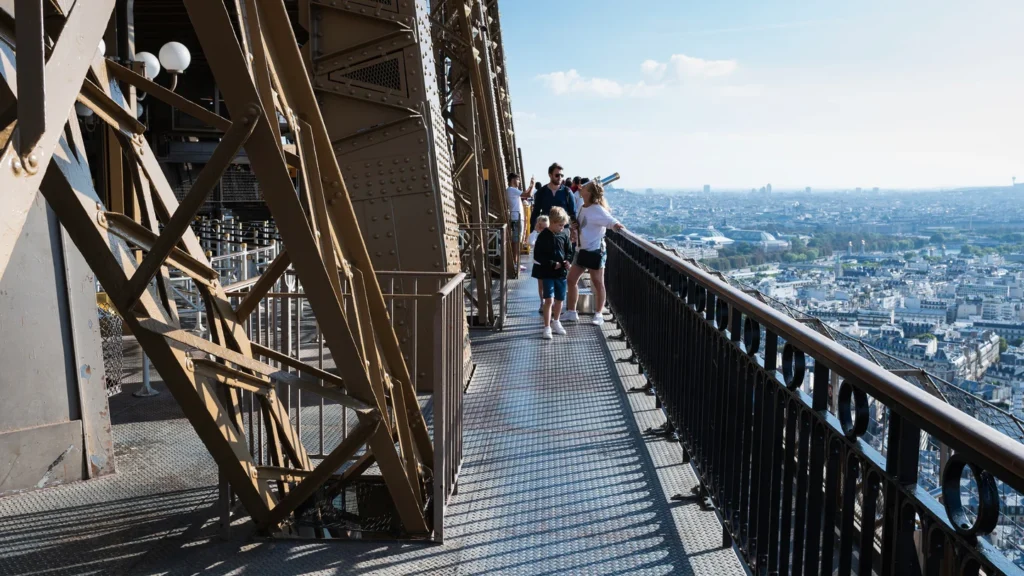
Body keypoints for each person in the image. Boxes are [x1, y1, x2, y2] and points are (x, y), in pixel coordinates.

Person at [563, 179, 625, 325]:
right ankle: (572, 312)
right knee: (572, 280)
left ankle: (598, 314)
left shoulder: (597, 209)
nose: (581, 187)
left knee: (597, 282)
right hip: (582, 249)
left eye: (584, 187)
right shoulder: (583, 206)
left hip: (595, 250)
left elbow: (610, 221)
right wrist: (575, 227)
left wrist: (617, 226)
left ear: (589, 193)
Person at [531, 207, 574, 339]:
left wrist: (567, 261)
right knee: (548, 299)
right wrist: (551, 264)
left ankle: (556, 321)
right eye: (560, 225)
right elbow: (538, 255)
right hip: (548, 272)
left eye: (563, 225)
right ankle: (547, 326)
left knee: (560, 299)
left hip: (560, 272)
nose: (562, 228)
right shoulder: (543, 236)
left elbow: (569, 251)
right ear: (553, 222)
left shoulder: (564, 236)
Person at [527, 162, 576, 232]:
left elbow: (573, 214)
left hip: (563, 231)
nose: (560, 178)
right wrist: (533, 231)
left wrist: (574, 231)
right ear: (550, 175)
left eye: (562, 175)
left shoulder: (567, 192)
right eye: (557, 175)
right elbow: (536, 212)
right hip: (546, 231)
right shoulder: (542, 192)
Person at [506, 173, 533, 267]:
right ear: (513, 180)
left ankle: (516, 262)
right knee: (516, 241)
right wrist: (532, 185)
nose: (519, 182)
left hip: (517, 217)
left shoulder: (513, 191)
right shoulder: (511, 189)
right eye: (518, 180)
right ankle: (515, 263)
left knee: (517, 241)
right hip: (516, 218)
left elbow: (525, 193)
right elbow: (528, 194)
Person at [528, 215, 549, 313]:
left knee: (548, 284)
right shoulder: (536, 235)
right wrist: (535, 230)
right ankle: (542, 302)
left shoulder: (551, 235)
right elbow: (531, 242)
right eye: (541, 227)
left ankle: (549, 302)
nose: (543, 230)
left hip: (548, 264)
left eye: (546, 227)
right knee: (541, 285)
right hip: (538, 264)